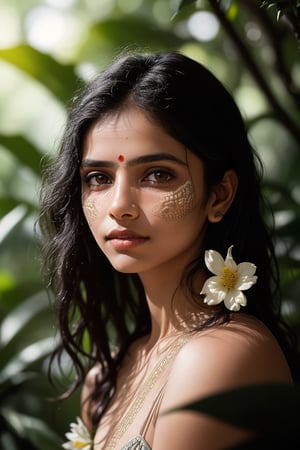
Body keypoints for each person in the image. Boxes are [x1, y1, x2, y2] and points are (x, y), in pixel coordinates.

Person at [39, 51, 296, 450]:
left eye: (157, 174)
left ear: (219, 195)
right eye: (99, 177)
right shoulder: (105, 381)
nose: (119, 204)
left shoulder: (222, 357)